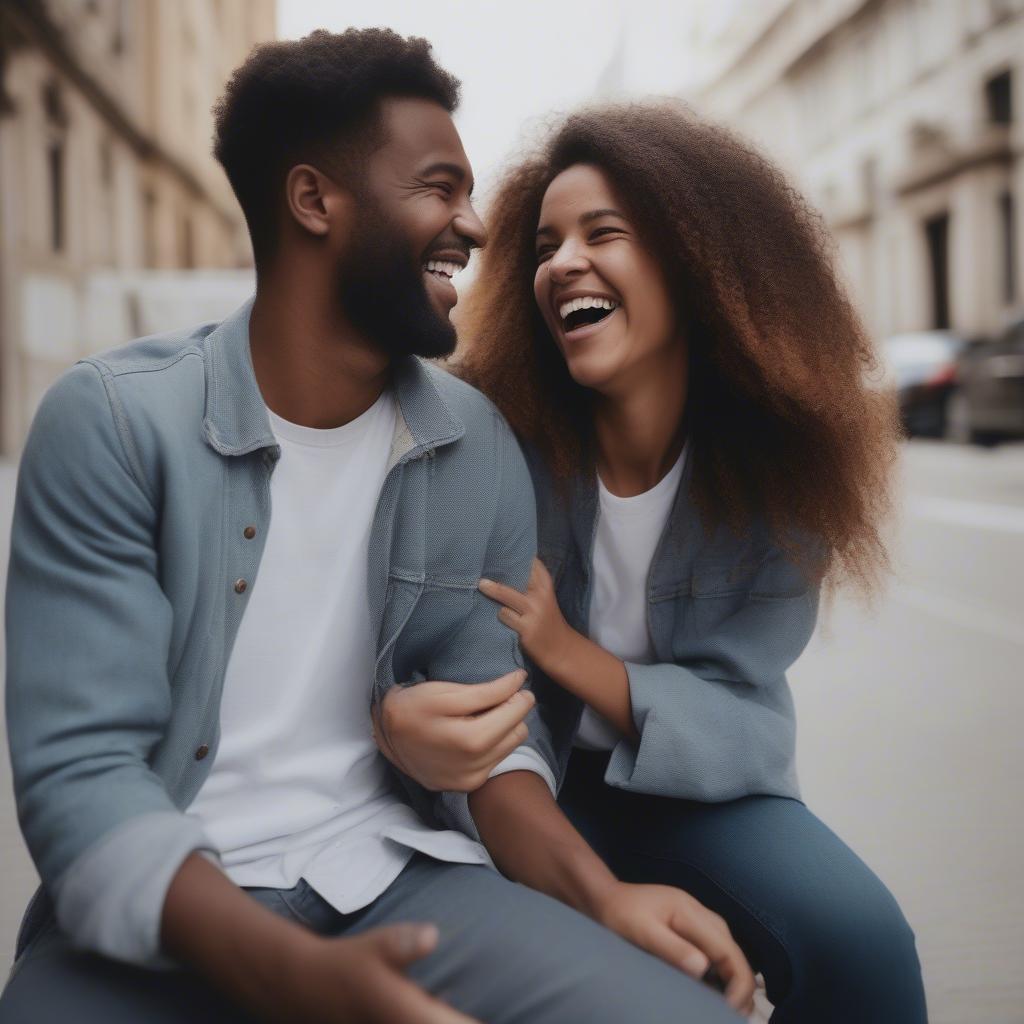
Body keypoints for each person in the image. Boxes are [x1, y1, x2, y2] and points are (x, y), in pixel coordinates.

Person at [0, 33, 753, 1024]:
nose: (477, 226)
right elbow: (79, 777)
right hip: (170, 908)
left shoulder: (476, 444)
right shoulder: (112, 422)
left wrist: (598, 896)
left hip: (398, 879)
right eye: (440, 189)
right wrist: (296, 979)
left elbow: (496, 740)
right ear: (315, 201)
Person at [380, 102, 929, 1023]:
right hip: (531, 787)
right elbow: (475, 713)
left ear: (698, 264)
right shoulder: (496, 445)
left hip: (699, 789)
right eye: (547, 243)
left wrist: (569, 653)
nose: (563, 263)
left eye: (605, 233)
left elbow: (745, 720)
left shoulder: (783, 471)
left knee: (862, 942)